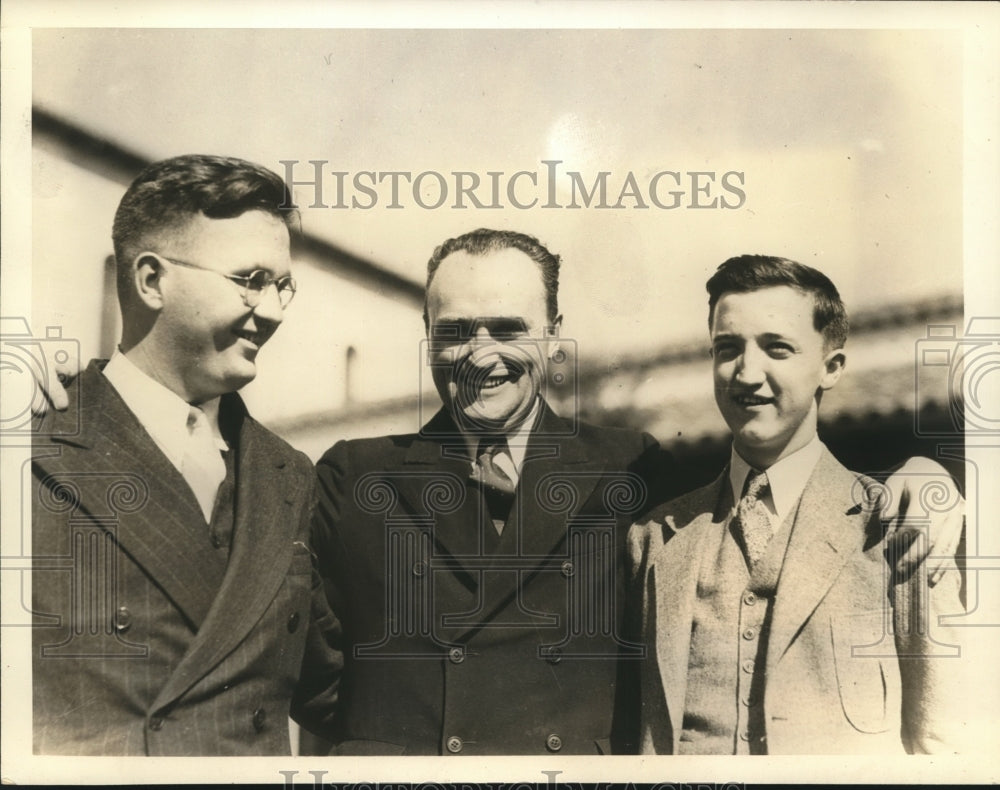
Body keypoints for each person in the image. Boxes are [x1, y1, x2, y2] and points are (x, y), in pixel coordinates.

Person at [306, 231, 962, 756]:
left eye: (508, 328)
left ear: (555, 335)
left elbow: (760, 489)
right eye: (454, 331)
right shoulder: (355, 476)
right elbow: (316, 683)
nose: (480, 355)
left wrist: (929, 478)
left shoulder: (629, 469)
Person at [31, 154, 342, 755]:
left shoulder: (288, 476)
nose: (274, 311)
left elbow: (334, 690)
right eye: (250, 280)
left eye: (282, 287)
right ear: (151, 281)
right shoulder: (32, 443)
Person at [626, 255, 966, 754]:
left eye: (777, 348)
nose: (746, 373)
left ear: (830, 368)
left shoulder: (898, 524)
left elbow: (945, 739)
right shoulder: (655, 538)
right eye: (727, 348)